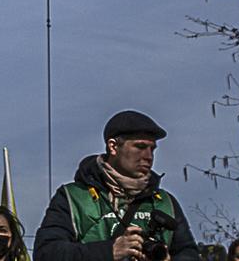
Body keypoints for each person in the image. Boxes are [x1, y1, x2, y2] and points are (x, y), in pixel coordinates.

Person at [34, 111, 197, 261]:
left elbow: (189, 254)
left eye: (152, 149)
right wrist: (110, 251)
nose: (148, 156)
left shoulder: (165, 202)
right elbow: (46, 253)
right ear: (113, 146)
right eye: (140, 147)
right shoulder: (73, 197)